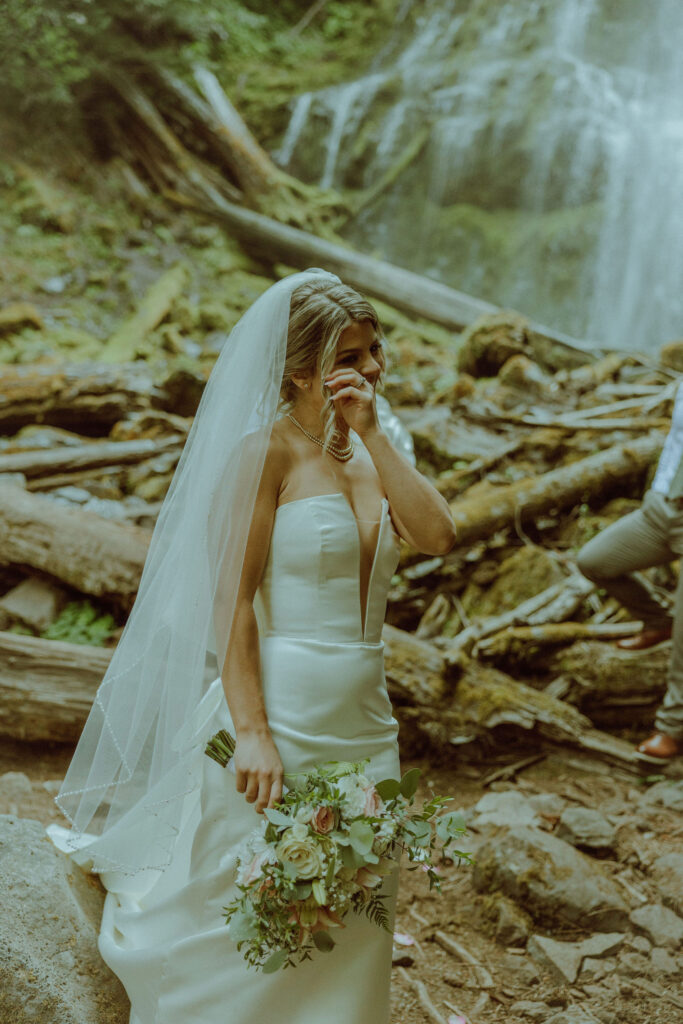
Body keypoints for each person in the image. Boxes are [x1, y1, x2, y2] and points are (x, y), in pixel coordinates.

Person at [47, 268, 456, 1024]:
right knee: (252, 901)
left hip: (365, 717)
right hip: (281, 707)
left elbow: (436, 535)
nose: (372, 369)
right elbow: (230, 606)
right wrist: (253, 735)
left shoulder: (370, 446)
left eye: (376, 352)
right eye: (353, 356)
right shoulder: (260, 457)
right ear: (300, 369)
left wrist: (370, 433)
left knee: (357, 900)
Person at [577, 381, 683, 761]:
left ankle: (671, 730)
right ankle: (657, 620)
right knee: (595, 560)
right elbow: (677, 437)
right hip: (665, 507)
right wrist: (657, 489)